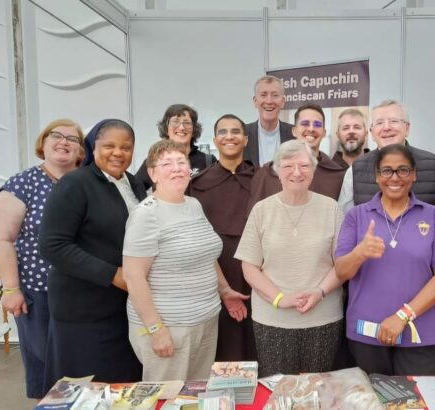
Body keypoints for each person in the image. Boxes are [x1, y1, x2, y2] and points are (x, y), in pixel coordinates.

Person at [123, 139, 249, 381]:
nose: (177, 168)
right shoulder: (146, 214)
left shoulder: (193, 205)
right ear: (152, 173)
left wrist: (224, 291)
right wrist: (156, 330)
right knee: (167, 398)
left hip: (205, 320)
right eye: (167, 163)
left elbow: (206, 255)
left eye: (182, 162)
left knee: (195, 395)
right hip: (169, 327)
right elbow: (133, 277)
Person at [39, 119, 146, 392]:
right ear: (92, 148)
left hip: (123, 307)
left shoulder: (133, 184)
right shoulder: (75, 184)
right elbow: (53, 245)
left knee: (122, 387)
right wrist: (112, 275)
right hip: (84, 310)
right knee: (87, 391)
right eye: (109, 145)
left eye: (126, 147)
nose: (118, 152)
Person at [334, 144, 435, 376]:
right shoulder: (356, 216)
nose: (395, 177)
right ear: (377, 176)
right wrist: (360, 253)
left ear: (414, 174)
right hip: (366, 333)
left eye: (403, 170)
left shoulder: (433, 216)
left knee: (417, 401)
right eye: (387, 171)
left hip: (419, 331)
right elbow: (341, 272)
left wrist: (403, 315)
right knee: (371, 399)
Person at [0, 119, 84, 399]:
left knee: (84, 362)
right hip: (39, 292)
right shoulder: (23, 184)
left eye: (73, 139)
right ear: (43, 144)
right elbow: (3, 239)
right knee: (46, 364)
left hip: (88, 291)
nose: (64, 142)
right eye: (56, 135)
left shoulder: (89, 180)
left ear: (82, 151)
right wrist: (11, 288)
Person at [235, 140, 344, 377]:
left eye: (304, 165)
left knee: (318, 390)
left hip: (323, 318)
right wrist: (279, 298)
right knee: (278, 389)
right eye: (288, 166)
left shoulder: (331, 208)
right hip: (272, 320)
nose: (296, 172)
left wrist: (319, 292)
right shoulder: (261, 210)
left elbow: (341, 266)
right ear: (276, 170)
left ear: (314, 170)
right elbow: (249, 266)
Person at [188, 114, 258, 361]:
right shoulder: (195, 184)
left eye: (236, 131)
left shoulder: (262, 179)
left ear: (246, 139)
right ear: (215, 140)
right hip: (214, 271)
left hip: (256, 270)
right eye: (223, 132)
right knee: (220, 346)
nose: (230, 137)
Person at [338, 100, 435, 214]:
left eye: (394, 121)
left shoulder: (433, 165)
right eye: (379, 123)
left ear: (407, 129)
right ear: (372, 133)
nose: (386, 127)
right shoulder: (356, 168)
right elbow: (345, 221)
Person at [247, 104, 346, 210]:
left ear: (324, 133)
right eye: (305, 123)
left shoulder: (337, 176)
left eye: (317, 124)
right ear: (294, 131)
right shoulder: (267, 174)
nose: (311, 129)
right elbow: (255, 219)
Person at [135, 104, 216, 189]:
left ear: (194, 129)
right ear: (166, 128)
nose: (181, 127)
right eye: (175, 122)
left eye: (187, 123)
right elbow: (135, 191)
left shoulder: (208, 161)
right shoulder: (154, 161)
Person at [244, 75, 295, 166]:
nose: (269, 101)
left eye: (275, 95)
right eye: (263, 95)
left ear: (283, 101)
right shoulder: (243, 134)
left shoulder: (295, 134)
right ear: (255, 101)